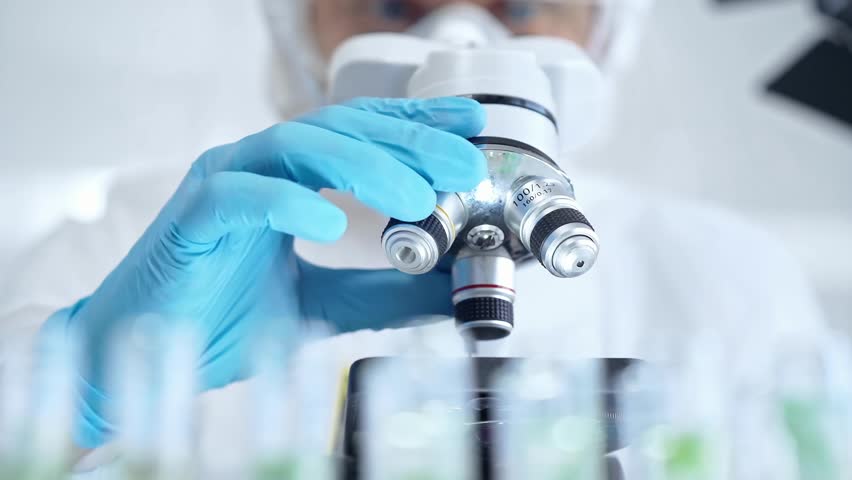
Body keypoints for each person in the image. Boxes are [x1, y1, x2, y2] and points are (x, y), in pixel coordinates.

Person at [0, 0, 826, 475]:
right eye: (396, 3)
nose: (461, 34)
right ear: (296, 27)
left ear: (608, 30)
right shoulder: (145, 238)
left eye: (523, 3)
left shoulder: (724, 275)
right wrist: (73, 398)